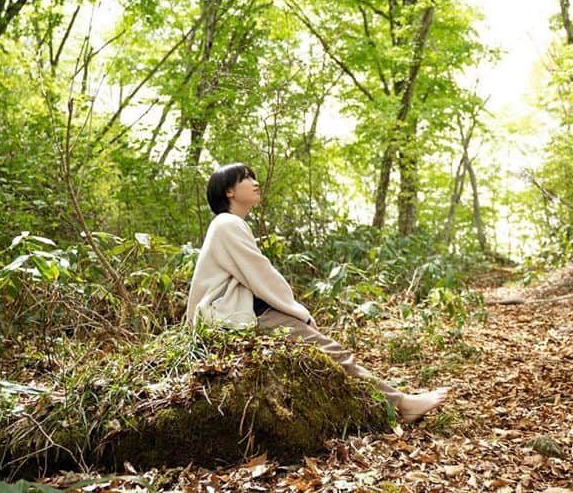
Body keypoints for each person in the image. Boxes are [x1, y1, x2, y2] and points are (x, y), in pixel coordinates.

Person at [185, 162, 448, 423]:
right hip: (235, 315)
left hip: (241, 311)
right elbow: (261, 276)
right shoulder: (227, 224)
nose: (255, 182)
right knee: (333, 352)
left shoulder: (227, 224)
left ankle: (390, 403)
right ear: (229, 191)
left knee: (328, 352)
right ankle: (403, 404)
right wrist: (299, 312)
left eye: (253, 177)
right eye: (245, 178)